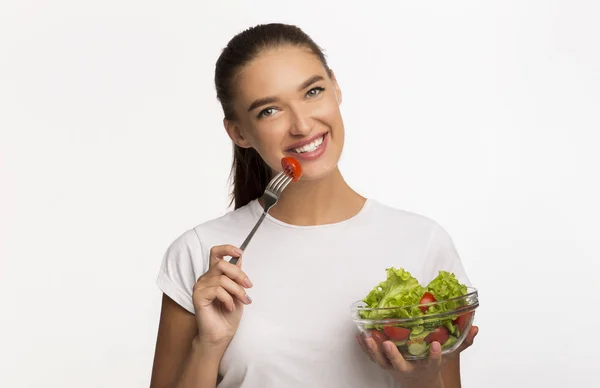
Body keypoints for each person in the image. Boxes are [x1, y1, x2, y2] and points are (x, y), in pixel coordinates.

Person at [149, 23, 478, 388]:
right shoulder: (199, 254)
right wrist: (208, 345)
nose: (303, 125)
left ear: (335, 87)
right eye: (269, 111)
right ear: (239, 133)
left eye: (313, 91)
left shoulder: (423, 242)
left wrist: (423, 377)